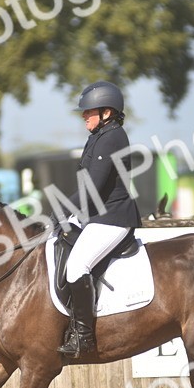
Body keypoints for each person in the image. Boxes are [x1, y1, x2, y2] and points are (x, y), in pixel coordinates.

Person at [55, 80, 141, 358]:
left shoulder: (113, 137)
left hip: (113, 219)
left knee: (77, 266)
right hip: (97, 217)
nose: (83, 115)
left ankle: (84, 337)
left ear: (107, 112)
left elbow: (93, 185)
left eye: (88, 111)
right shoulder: (98, 136)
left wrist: (61, 210)